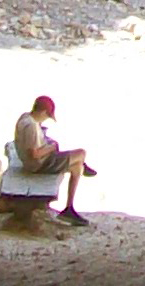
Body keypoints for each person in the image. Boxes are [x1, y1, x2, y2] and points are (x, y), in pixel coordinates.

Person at [12, 94, 96, 225]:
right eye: (47, 116)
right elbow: (34, 154)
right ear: (44, 112)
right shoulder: (31, 127)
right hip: (39, 164)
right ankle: (83, 166)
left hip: (33, 162)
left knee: (77, 166)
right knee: (81, 153)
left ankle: (69, 208)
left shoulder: (25, 118)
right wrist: (52, 148)